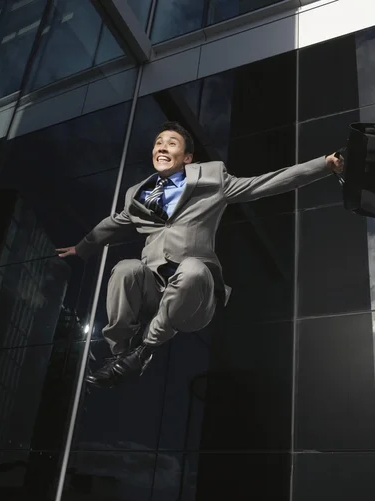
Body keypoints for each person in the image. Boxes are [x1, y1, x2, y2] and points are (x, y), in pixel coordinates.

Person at [57, 121, 343, 388]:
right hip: (154, 292)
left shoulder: (213, 180)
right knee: (125, 268)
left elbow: (266, 183)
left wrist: (324, 165)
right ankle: (121, 355)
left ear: (187, 158)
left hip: (195, 296)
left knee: (193, 268)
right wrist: (81, 248)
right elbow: (113, 224)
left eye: (171, 143)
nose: (162, 147)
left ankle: (146, 349)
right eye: (158, 143)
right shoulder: (137, 195)